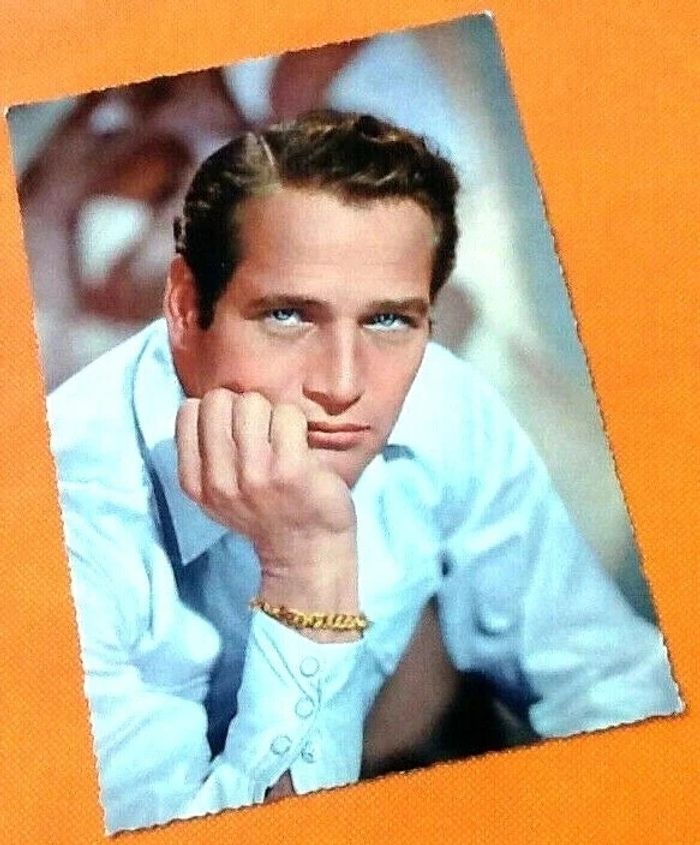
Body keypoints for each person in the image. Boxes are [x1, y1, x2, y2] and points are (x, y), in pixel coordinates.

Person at [47, 110, 680, 833]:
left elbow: (606, 677)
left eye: (389, 320)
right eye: (289, 315)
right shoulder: (67, 532)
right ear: (187, 308)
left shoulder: (442, 402)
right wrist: (306, 570)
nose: (344, 385)